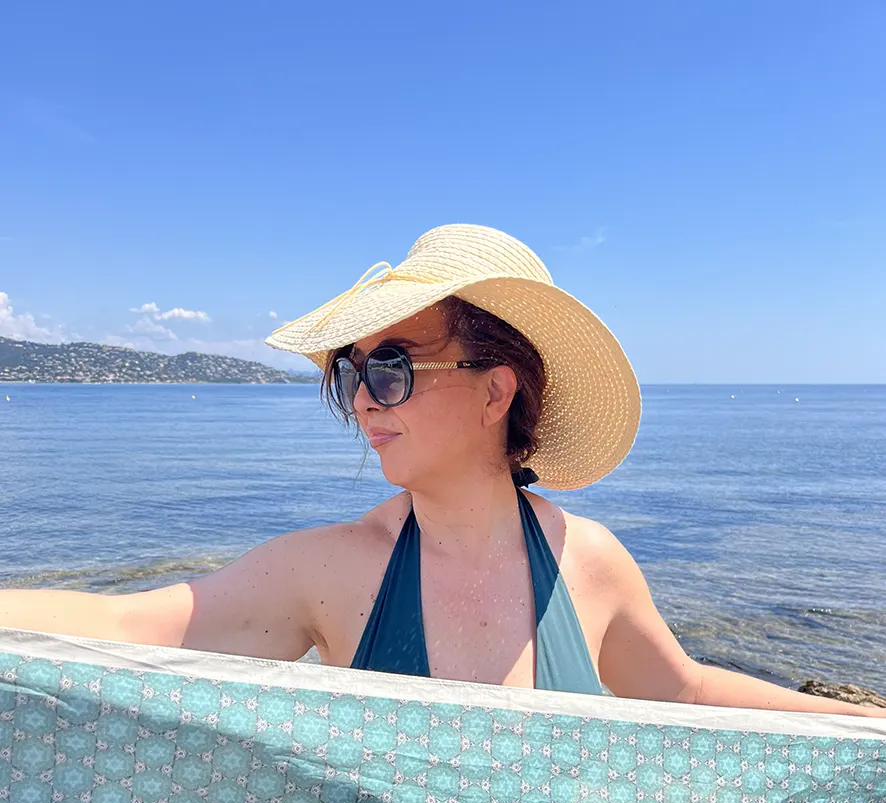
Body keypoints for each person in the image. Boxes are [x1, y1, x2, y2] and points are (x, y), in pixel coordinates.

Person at [1, 224, 882, 718]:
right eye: (351, 374)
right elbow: (129, 623)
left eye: (391, 367)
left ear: (495, 389)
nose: (363, 401)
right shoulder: (333, 570)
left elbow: (683, 687)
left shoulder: (590, 563)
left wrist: (861, 724)